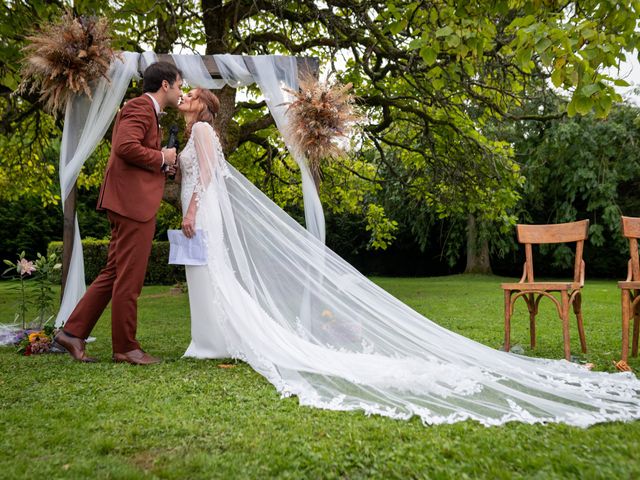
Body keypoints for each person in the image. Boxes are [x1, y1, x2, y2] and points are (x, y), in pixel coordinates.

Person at [176, 88, 640, 427]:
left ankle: (213, 341)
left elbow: (208, 177)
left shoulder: (200, 129)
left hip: (204, 212)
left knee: (213, 275)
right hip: (203, 212)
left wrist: (194, 208)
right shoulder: (197, 131)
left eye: (190, 95)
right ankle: (213, 339)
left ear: (203, 106)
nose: (184, 99)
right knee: (212, 276)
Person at [54, 62, 183, 365]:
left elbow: (134, 154)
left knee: (113, 272)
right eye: (178, 85)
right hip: (131, 205)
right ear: (165, 85)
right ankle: (125, 347)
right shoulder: (140, 106)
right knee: (129, 278)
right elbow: (124, 146)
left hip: (129, 202)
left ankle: (72, 334)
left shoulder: (149, 113)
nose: (180, 91)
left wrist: (163, 164)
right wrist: (161, 156)